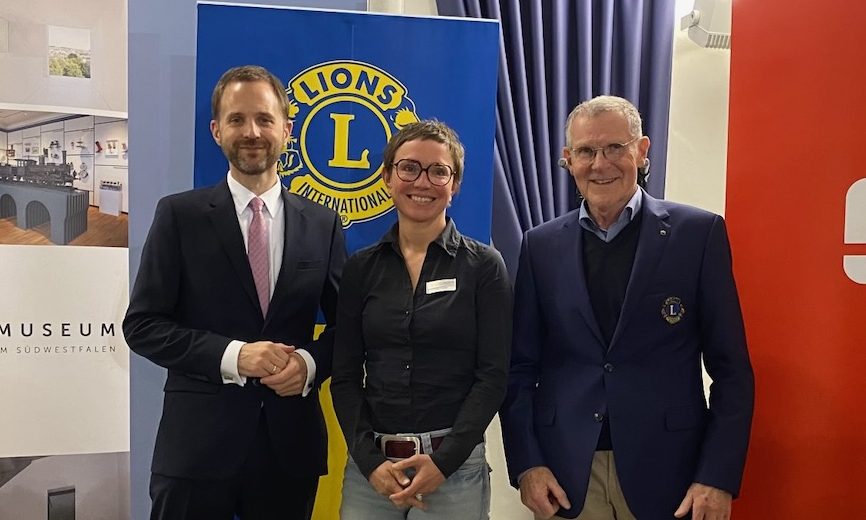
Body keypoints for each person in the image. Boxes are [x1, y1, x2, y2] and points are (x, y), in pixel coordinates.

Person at [500, 96, 754, 520]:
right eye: (586, 151)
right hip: (568, 477)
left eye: (615, 147)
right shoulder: (539, 246)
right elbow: (519, 369)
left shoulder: (698, 234)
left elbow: (732, 370)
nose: (600, 164)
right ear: (568, 160)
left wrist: (717, 475)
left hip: (672, 475)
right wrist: (527, 464)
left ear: (642, 150)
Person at [123, 65, 346, 520]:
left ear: (286, 130)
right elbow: (142, 326)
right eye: (237, 119)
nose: (252, 132)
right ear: (216, 130)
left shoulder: (322, 224)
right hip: (196, 451)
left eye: (264, 119)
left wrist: (309, 365)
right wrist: (234, 356)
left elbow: (349, 327)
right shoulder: (179, 216)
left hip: (289, 451)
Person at [330, 120, 512, 519]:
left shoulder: (484, 266)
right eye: (409, 168)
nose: (422, 182)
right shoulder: (361, 269)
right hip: (372, 473)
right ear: (387, 177)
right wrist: (369, 462)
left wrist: (445, 461)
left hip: (454, 472)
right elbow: (344, 375)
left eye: (438, 171)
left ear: (454, 184)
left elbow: (493, 375)